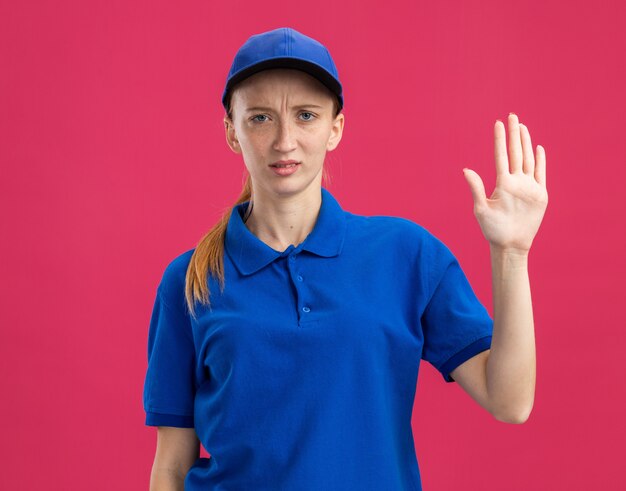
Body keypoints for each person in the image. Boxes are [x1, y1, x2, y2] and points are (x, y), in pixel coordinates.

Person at [143, 27, 548, 491]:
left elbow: (510, 401)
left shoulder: (405, 254)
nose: (284, 140)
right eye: (259, 118)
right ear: (232, 132)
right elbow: (171, 466)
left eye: (306, 115)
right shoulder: (189, 281)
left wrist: (512, 253)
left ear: (335, 128)